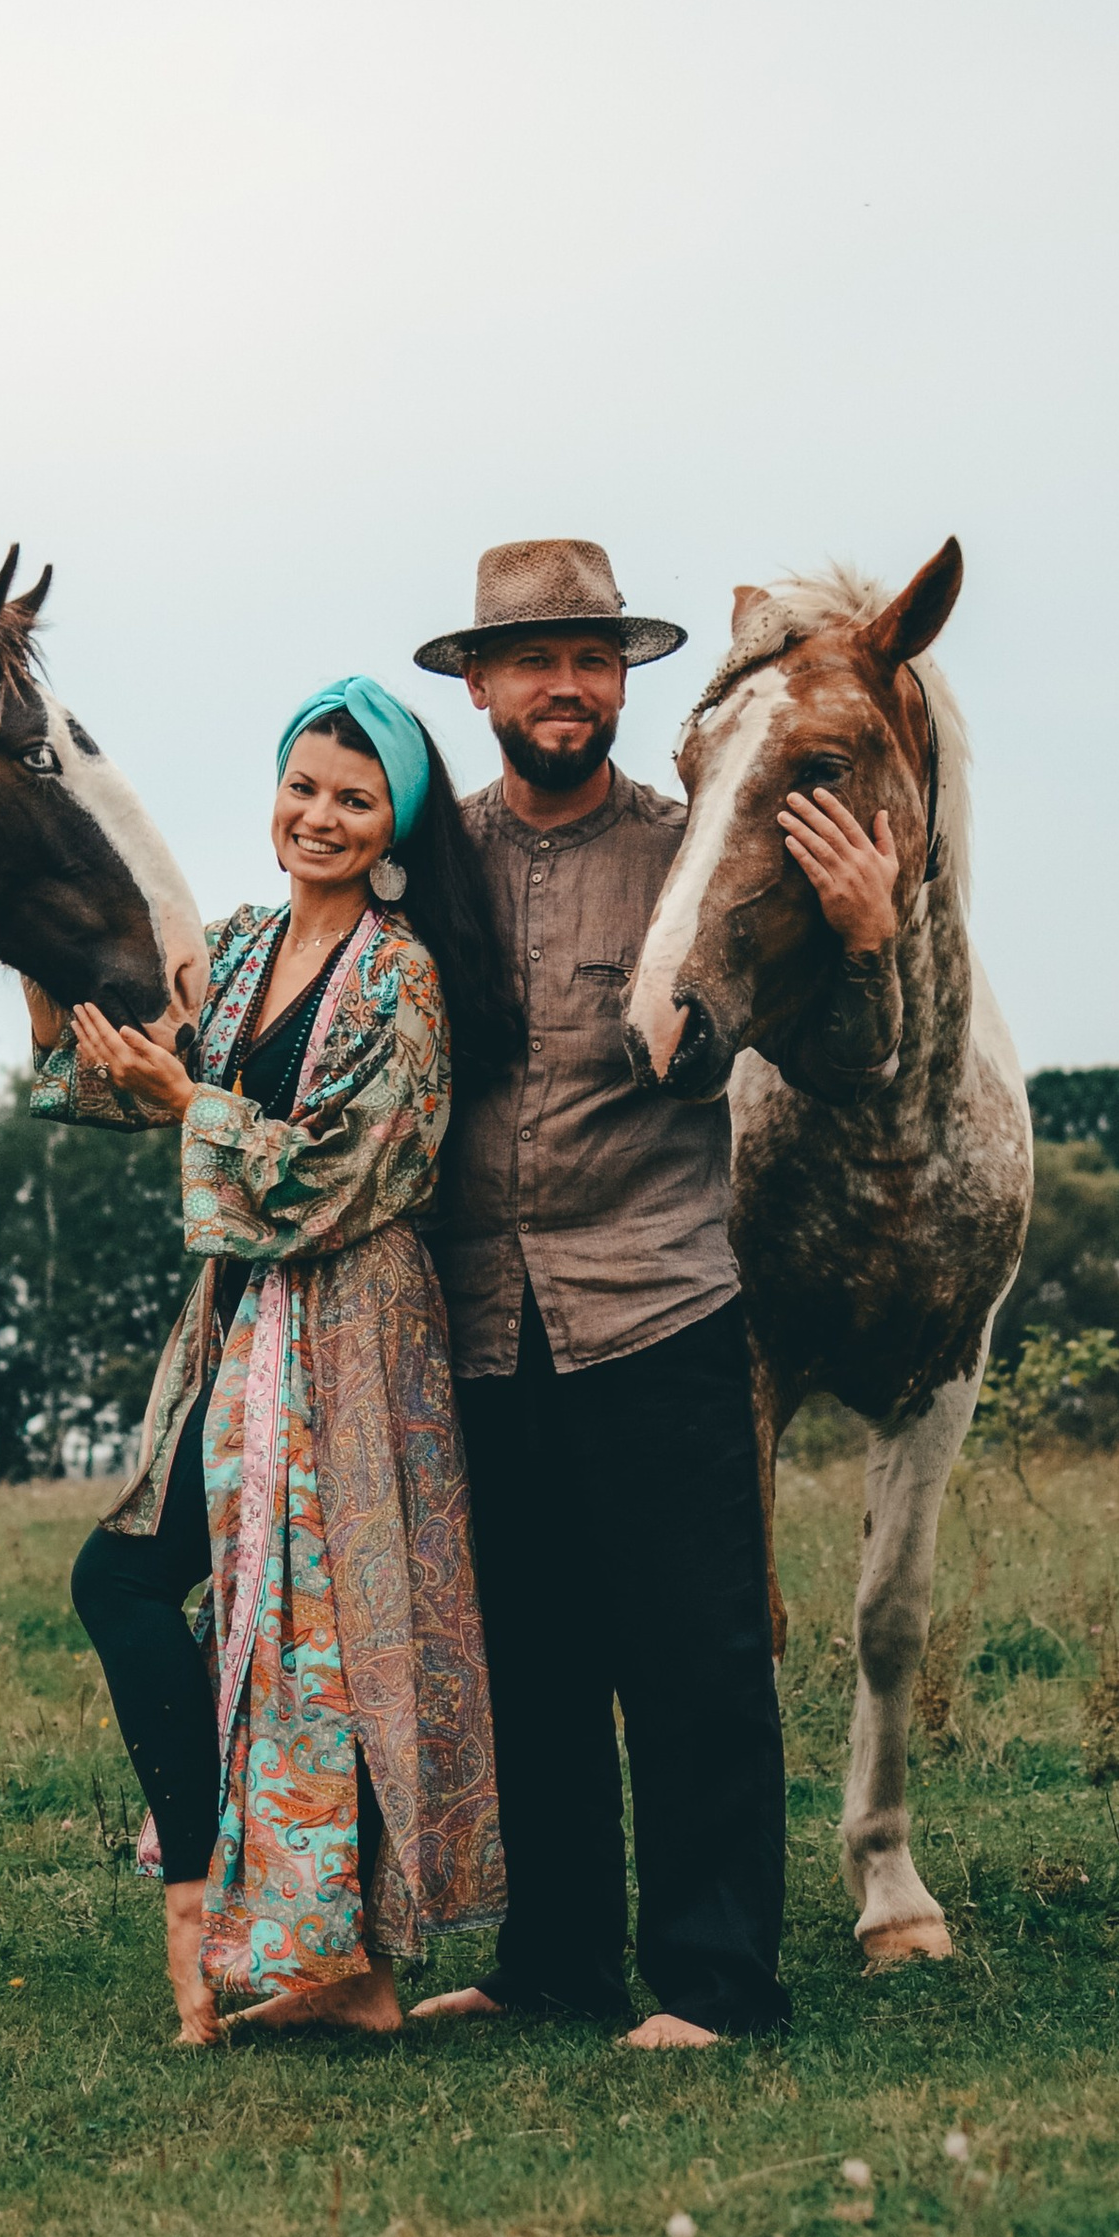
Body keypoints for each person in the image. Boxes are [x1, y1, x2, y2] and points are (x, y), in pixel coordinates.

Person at [404, 538, 903, 2048]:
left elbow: (851, 1066)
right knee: (531, 1666)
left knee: (695, 1663)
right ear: (480, 684)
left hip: (660, 1309)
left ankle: (717, 1978)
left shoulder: (703, 854)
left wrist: (868, 937)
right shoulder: (433, 866)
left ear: (626, 683)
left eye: (596, 658)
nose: (569, 685)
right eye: (537, 659)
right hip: (480, 1325)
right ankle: (553, 1958)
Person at [31, 678, 514, 2044]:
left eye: (354, 799)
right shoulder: (240, 953)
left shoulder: (404, 980)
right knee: (153, 1589)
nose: (320, 815)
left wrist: (194, 1107)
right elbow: (127, 1069)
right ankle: (252, 1919)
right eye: (305, 786)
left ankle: (313, 1953)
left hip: (353, 1332)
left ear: (397, 826)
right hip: (242, 1331)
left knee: (330, 1641)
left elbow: (338, 1177)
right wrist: (42, 966)